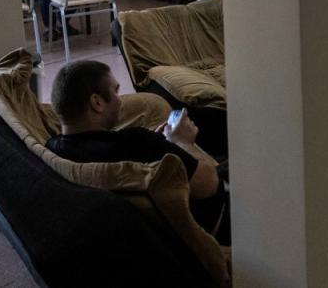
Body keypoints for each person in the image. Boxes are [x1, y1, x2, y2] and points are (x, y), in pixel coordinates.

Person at [46, 60, 229, 242]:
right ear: (97, 102)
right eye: (116, 91)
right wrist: (182, 142)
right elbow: (209, 184)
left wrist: (164, 144)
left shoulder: (52, 149)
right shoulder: (138, 142)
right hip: (217, 223)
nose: (120, 100)